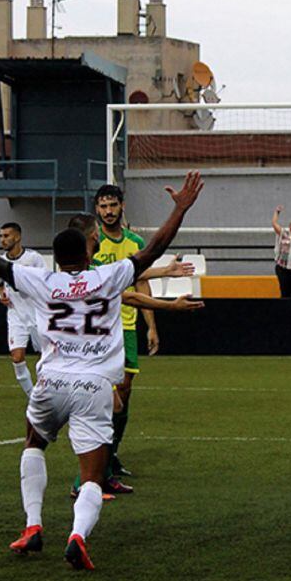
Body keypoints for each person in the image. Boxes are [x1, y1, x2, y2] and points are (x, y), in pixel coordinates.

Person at [0, 170, 205, 570]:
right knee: (92, 478)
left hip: (50, 382)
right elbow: (154, 249)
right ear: (87, 252)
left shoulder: (41, 280)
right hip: (94, 386)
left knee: (34, 444)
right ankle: (78, 536)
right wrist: (180, 208)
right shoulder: (109, 276)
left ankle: (33, 526)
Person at [67, 211, 197, 497]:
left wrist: (163, 274)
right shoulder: (84, 275)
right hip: (88, 356)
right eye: (96, 231)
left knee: (113, 407)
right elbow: (128, 295)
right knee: (97, 412)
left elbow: (128, 287)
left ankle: (102, 473)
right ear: (91, 237)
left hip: (92, 351)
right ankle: (85, 482)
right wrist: (169, 306)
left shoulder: (84, 272)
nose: (102, 233)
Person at [92, 184, 161, 479]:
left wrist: (151, 326)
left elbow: (141, 283)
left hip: (128, 326)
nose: (108, 211)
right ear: (96, 209)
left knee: (125, 392)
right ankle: (97, 461)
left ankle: (112, 453)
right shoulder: (92, 243)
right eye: (103, 206)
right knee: (103, 396)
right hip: (99, 329)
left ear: (122, 207)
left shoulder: (134, 242)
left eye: (113, 205)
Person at [0, 222, 47, 397]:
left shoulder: (34, 259)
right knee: (17, 357)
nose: (3, 240)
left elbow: (44, 283)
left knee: (45, 358)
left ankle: (46, 392)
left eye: (6, 236)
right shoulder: (1, 261)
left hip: (36, 314)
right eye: (1, 236)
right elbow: (0, 282)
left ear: (17, 237)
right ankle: (32, 397)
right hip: (16, 314)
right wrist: (2, 294)